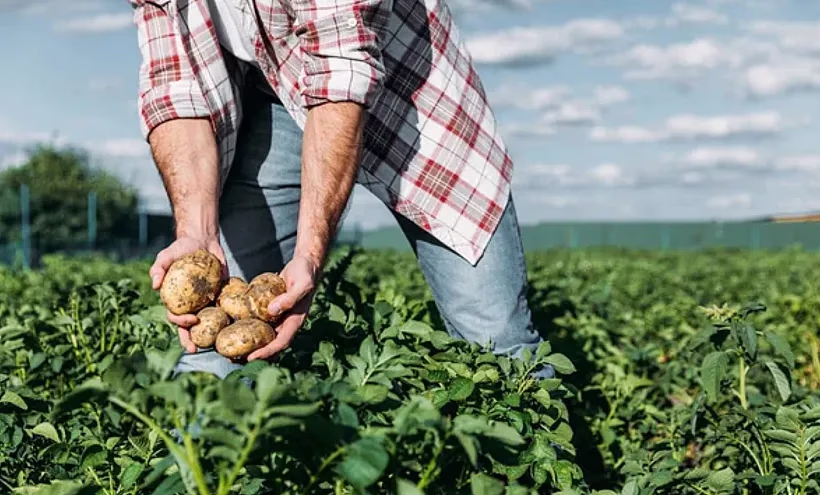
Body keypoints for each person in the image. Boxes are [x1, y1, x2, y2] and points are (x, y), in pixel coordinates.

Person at [127, 0, 555, 380]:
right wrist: (196, 234)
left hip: (411, 95)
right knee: (211, 339)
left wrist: (309, 257)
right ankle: (215, 464)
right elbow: (174, 87)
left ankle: (536, 458)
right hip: (266, 93)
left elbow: (340, 69)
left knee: (497, 342)